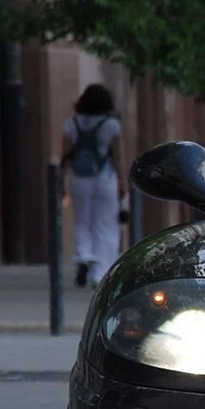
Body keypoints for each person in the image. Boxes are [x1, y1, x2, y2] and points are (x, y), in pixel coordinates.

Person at [62, 84, 126, 286]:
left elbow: (65, 155)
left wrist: (61, 182)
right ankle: (101, 272)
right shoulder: (111, 125)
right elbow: (119, 157)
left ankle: (83, 256)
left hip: (79, 178)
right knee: (105, 224)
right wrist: (123, 182)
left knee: (82, 219)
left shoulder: (71, 125)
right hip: (104, 178)